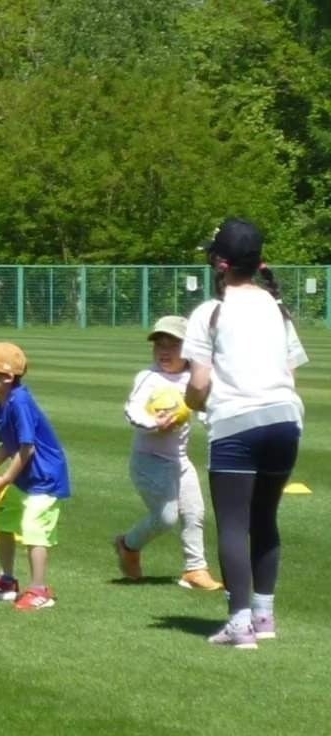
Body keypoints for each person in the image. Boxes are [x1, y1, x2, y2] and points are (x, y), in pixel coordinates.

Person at [182, 218, 307, 649]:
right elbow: (289, 373)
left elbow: (199, 384)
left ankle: (239, 624)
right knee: (265, 519)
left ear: (220, 263)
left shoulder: (209, 312)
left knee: (233, 525)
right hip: (285, 421)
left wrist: (193, 404)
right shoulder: (277, 308)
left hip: (236, 423)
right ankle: (264, 617)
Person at [114, 316, 222, 591]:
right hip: (148, 461)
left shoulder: (195, 379)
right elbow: (132, 410)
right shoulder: (148, 378)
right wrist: (154, 423)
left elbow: (206, 409)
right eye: (159, 345)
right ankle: (128, 544)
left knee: (194, 513)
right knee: (165, 518)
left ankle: (195, 569)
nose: (164, 351)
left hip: (180, 460)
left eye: (173, 345)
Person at [0, 342, 71, 611]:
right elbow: (8, 445)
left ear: (8, 377)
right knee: (4, 520)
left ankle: (39, 589)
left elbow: (27, 447)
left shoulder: (19, 401)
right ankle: (7, 581)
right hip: (24, 477)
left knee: (34, 529)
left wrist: (5, 479)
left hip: (45, 479)